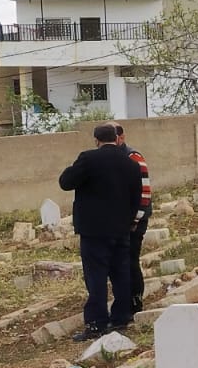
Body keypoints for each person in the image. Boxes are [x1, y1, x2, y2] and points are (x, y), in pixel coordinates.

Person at [58, 123, 144, 342]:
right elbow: (137, 197)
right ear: (117, 138)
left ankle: (96, 323)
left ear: (96, 140)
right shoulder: (131, 164)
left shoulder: (88, 159)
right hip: (121, 229)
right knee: (121, 274)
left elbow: (65, 182)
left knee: (96, 277)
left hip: (94, 230)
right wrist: (130, 221)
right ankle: (121, 317)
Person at [114, 124, 152, 314]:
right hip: (120, 219)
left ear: (121, 137)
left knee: (130, 260)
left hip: (135, 220)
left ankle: (135, 301)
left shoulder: (133, 156)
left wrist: (136, 219)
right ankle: (124, 302)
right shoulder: (113, 157)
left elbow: (144, 192)